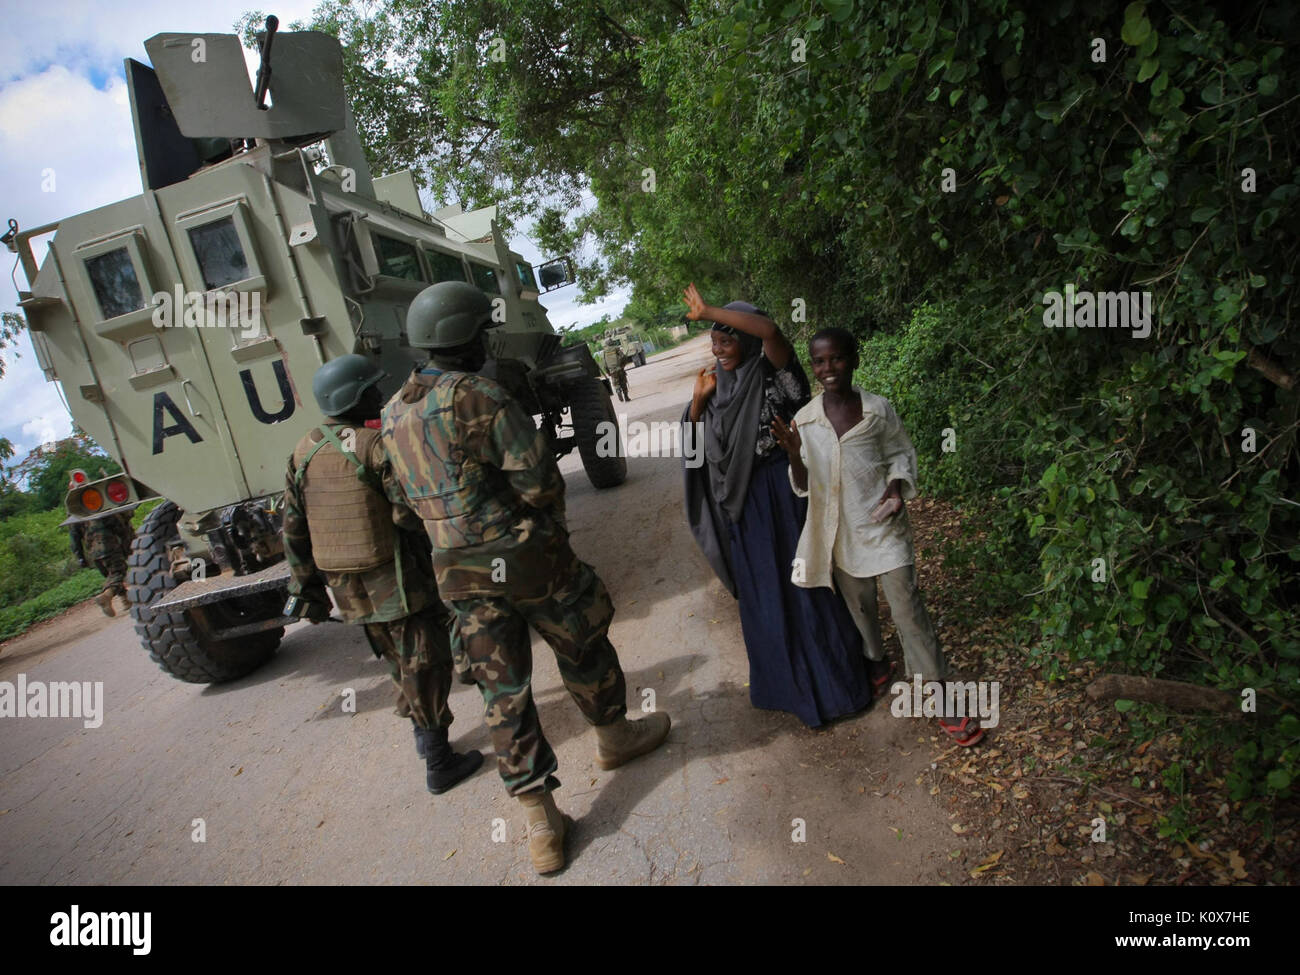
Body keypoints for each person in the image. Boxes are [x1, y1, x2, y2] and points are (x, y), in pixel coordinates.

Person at [380, 280, 671, 875]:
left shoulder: (391, 415)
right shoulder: (480, 395)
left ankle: (541, 826)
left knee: (501, 692)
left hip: (457, 572)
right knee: (582, 640)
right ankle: (614, 737)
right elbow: (538, 480)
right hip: (524, 559)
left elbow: (400, 507)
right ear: (468, 339)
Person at [283, 354, 484, 794]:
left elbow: (294, 530)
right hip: (396, 579)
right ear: (352, 396)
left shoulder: (303, 450)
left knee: (398, 661)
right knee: (425, 663)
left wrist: (307, 590)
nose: (379, 395)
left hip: (349, 589)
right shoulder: (374, 447)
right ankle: (438, 760)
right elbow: (407, 514)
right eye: (370, 389)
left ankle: (420, 736)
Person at [772, 327, 982, 746]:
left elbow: (900, 453)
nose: (828, 368)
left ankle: (941, 695)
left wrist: (895, 488)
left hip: (884, 528)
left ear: (854, 359)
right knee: (862, 609)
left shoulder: (877, 410)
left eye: (837, 359)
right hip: (841, 534)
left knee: (907, 610)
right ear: (812, 367)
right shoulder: (807, 420)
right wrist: (794, 454)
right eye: (819, 361)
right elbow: (803, 484)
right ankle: (877, 660)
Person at [680, 284, 872, 728]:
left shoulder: (775, 373)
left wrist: (711, 308)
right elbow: (695, 453)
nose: (721, 349)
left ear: (745, 341)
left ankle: (834, 687)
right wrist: (696, 404)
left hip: (786, 493)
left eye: (728, 340)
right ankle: (786, 688)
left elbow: (770, 329)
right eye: (714, 341)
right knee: (766, 594)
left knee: (806, 587)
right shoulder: (716, 389)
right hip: (745, 508)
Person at [71, 509, 134, 617]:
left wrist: (80, 557)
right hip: (110, 546)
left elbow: (74, 537)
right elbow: (121, 527)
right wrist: (130, 546)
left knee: (111, 575)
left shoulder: (76, 510)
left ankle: (126, 601)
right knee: (117, 574)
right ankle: (106, 596)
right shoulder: (102, 506)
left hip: (94, 552)